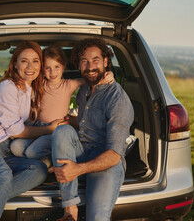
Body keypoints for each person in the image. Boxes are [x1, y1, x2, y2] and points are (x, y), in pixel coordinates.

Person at [0, 41, 67, 221]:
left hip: (7, 153)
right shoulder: (7, 86)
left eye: (35, 61)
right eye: (24, 61)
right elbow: (16, 131)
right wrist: (49, 129)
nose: (30, 67)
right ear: (15, 64)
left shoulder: (30, 89)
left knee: (38, 169)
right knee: (2, 175)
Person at [52, 38, 134, 221]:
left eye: (96, 60)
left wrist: (77, 169)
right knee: (62, 131)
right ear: (78, 65)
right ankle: (70, 213)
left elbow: (114, 155)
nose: (90, 66)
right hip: (83, 150)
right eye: (84, 61)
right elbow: (85, 124)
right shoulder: (85, 91)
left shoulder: (117, 99)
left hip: (107, 162)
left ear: (106, 62)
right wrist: (66, 121)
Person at [10, 45, 114, 167]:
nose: (52, 72)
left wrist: (108, 74)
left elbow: (92, 78)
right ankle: (48, 160)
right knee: (15, 147)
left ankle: (48, 160)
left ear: (63, 67)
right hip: (39, 129)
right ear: (42, 69)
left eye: (56, 67)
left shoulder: (69, 84)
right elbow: (22, 78)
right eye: (47, 68)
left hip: (57, 131)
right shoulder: (39, 83)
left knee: (32, 152)